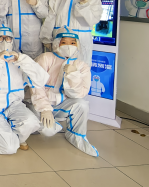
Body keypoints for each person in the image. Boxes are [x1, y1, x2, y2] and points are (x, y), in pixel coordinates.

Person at [0, 26, 52, 154]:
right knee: (9, 148)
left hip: (15, 104)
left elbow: (41, 80)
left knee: (31, 122)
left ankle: (14, 136)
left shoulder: (20, 59)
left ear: (12, 40)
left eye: (8, 38)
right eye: (0, 38)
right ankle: (10, 138)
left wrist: (22, 60)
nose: (4, 41)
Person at [32, 27, 99, 156]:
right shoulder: (46, 58)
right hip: (41, 104)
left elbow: (80, 94)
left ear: (77, 45)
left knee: (82, 105)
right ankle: (39, 123)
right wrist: (45, 108)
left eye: (73, 43)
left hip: (61, 104)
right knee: (48, 131)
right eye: (64, 42)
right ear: (57, 44)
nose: (69, 46)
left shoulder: (81, 66)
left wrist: (73, 75)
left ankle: (76, 136)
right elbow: (35, 85)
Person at [40, 0, 102, 67]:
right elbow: (50, 20)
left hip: (81, 41)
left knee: (80, 70)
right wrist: (46, 38)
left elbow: (93, 20)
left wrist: (84, 6)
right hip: (60, 41)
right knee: (56, 69)